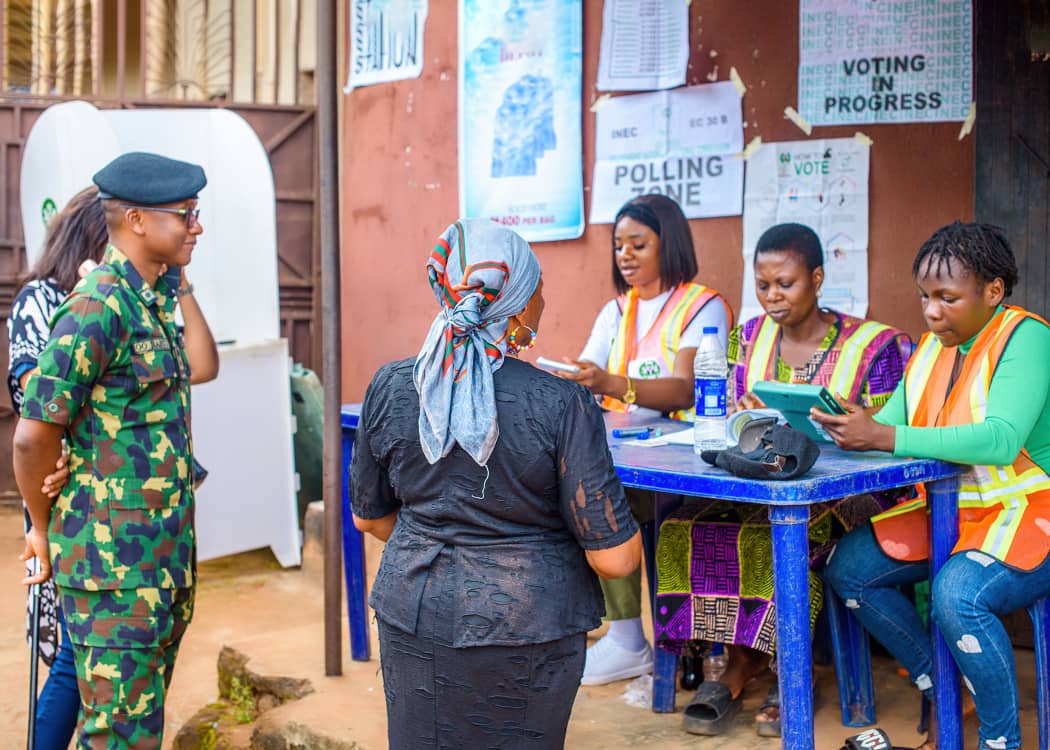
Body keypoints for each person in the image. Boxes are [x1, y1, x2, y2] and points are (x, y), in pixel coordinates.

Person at [350, 219, 642, 749]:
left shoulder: (391, 387)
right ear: (516, 304)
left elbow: (370, 517)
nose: (542, 302)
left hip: (412, 611)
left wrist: (439, 541)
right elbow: (615, 559)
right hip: (529, 623)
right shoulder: (561, 404)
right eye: (538, 290)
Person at [655, 222, 910, 736]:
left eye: (786, 284)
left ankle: (794, 671)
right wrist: (746, 418)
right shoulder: (744, 340)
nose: (772, 297)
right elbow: (721, 420)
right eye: (763, 284)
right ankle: (741, 661)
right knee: (687, 524)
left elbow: (892, 435)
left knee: (781, 533)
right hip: (762, 485)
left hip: (851, 491)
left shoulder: (875, 346)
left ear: (817, 278)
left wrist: (852, 424)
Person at [818, 221, 1050, 750]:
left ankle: (1000, 741)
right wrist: (845, 426)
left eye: (947, 297)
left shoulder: (1027, 336)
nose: (931, 311)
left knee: (957, 595)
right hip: (949, 512)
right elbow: (889, 426)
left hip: (1029, 512)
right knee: (848, 568)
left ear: (993, 291)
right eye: (925, 296)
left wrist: (883, 432)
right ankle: (950, 689)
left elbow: (999, 439)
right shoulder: (929, 348)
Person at [13, 151, 219, 748]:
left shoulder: (148, 302)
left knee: (136, 731)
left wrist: (180, 282)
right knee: (117, 738)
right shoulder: (97, 306)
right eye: (186, 214)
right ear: (135, 220)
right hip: (112, 574)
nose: (196, 226)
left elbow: (201, 367)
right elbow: (33, 435)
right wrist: (42, 527)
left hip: (160, 563)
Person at [557, 193, 733, 686]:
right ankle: (625, 637)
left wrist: (611, 383)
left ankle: (636, 640)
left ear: (668, 244)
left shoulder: (704, 305)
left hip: (689, 460)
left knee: (604, 500)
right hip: (627, 450)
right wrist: (578, 379)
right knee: (577, 495)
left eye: (638, 243)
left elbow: (685, 386)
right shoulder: (616, 310)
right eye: (618, 246)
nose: (626, 255)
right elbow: (586, 371)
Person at [8, 186, 107, 749]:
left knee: (86, 655)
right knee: (72, 653)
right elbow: (28, 389)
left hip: (107, 493)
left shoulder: (119, 299)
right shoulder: (41, 299)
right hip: (57, 486)